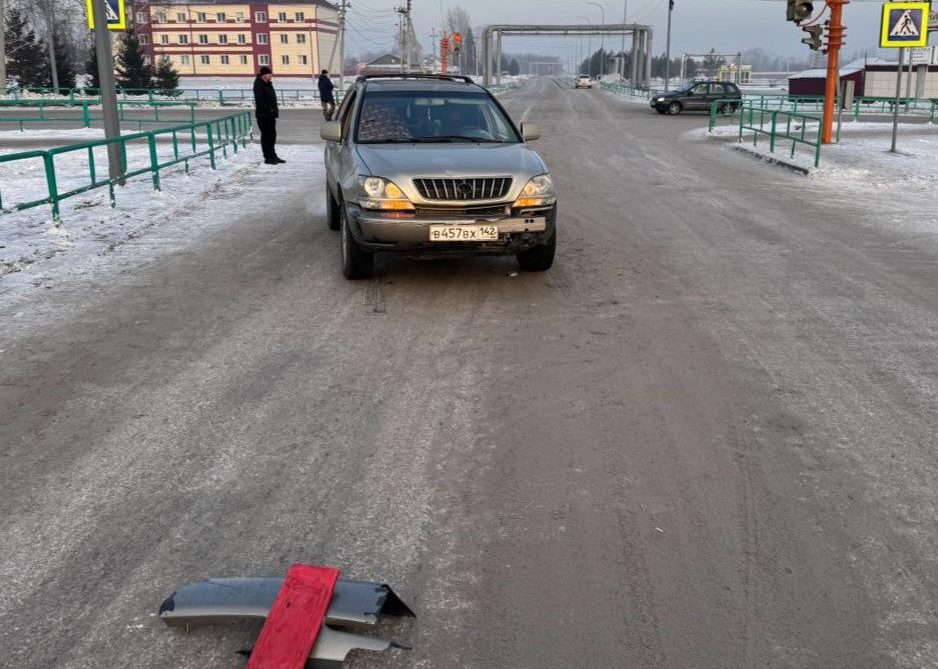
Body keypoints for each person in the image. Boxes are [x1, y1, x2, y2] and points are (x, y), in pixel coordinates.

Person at [253, 66, 284, 165]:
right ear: (264, 75)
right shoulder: (258, 85)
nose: (271, 76)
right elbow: (260, 101)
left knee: (272, 136)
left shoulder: (268, 84)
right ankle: (268, 157)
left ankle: (273, 155)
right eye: (269, 74)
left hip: (270, 115)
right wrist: (269, 109)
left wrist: (273, 110)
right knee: (266, 136)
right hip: (263, 116)